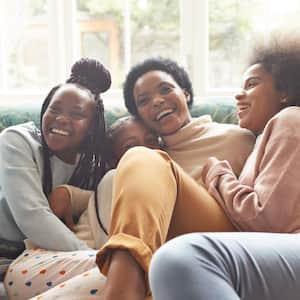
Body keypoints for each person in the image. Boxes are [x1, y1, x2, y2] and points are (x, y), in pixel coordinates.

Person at [34, 57, 255, 300]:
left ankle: (124, 290)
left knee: (143, 157)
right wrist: (71, 194)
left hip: (220, 237)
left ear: (185, 94)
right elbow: (129, 196)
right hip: (167, 250)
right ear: (140, 115)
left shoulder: (238, 139)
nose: (158, 101)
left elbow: (260, 202)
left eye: (165, 89)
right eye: (144, 101)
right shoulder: (149, 155)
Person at [149, 34, 300, 300]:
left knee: (181, 259)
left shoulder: (290, 120)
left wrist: (218, 173)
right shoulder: (260, 140)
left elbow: (267, 220)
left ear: (285, 91)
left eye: (252, 84)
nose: (238, 94)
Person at [1, 58, 112, 299]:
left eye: (76, 114)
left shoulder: (92, 165)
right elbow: (33, 215)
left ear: (92, 127)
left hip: (39, 258)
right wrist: (94, 258)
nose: (61, 119)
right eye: (55, 109)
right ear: (44, 108)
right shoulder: (17, 141)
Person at [47, 115, 161, 250]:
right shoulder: (116, 178)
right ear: (115, 161)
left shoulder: (166, 182)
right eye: (130, 146)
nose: (144, 149)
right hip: (76, 256)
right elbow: (114, 250)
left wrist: (71, 194)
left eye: (151, 140)